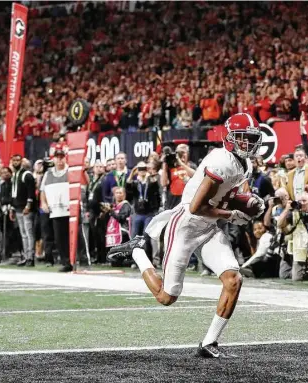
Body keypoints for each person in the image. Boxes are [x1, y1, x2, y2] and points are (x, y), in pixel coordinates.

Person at [107, 113, 264, 358]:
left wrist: (251, 202)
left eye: (253, 139)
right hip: (186, 226)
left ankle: (209, 342)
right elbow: (196, 207)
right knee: (166, 297)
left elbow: (228, 195)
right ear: (231, 138)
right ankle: (137, 251)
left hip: (210, 227)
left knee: (234, 280)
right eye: (245, 138)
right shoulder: (220, 161)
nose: (250, 144)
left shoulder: (245, 163)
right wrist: (233, 214)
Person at [40, 146, 72, 272]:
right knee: (59, 237)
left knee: (72, 236)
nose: (59, 160)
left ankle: (75, 259)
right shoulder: (48, 173)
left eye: (61, 157)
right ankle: (65, 261)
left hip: (69, 210)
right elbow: (43, 190)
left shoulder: (70, 170)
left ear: (65, 158)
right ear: (53, 159)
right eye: (57, 158)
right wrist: (43, 203)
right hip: (56, 211)